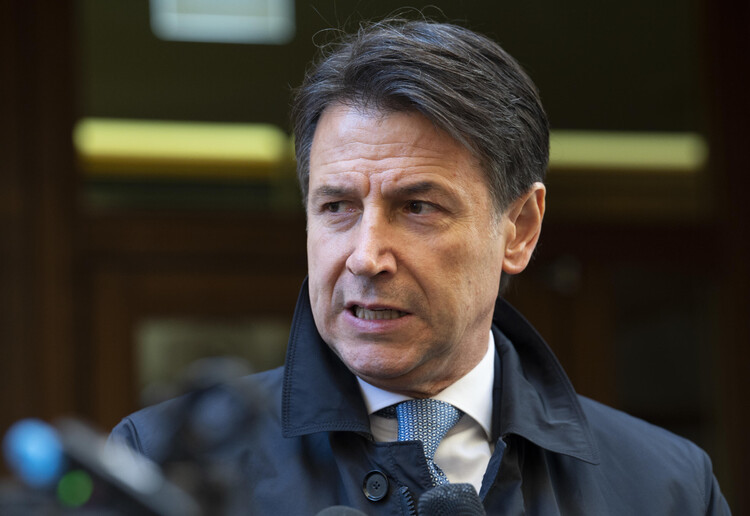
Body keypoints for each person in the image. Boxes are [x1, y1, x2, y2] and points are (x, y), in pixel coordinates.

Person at [110, 18, 730, 515]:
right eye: (337, 207)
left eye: (417, 207)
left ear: (520, 229)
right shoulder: (161, 466)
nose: (366, 256)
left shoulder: (666, 486)